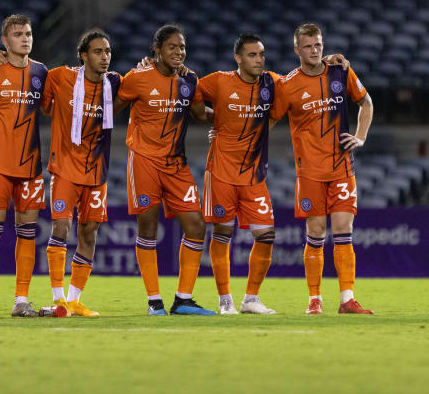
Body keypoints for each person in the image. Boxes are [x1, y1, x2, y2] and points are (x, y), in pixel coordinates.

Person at [270, 23, 374, 315]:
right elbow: (269, 120)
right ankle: (314, 299)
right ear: (297, 50)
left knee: (344, 231)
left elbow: (366, 102)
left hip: (342, 167)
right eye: (308, 46)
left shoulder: (340, 71)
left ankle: (347, 299)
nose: (315, 51)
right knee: (315, 233)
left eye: (318, 45)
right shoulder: (288, 85)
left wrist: (361, 136)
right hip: (310, 172)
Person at [114, 23, 216, 316]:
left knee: (196, 226)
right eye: (172, 47)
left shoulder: (189, 80)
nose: (179, 52)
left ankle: (183, 300)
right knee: (148, 226)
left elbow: (199, 114)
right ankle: (154, 300)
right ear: (156, 50)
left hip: (176, 164)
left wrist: (232, 115)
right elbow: (113, 107)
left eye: (182, 47)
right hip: (144, 160)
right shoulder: (138, 77)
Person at [0, 14, 48, 318]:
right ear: (4, 40)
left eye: (28, 33)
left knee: (27, 233)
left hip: (30, 165)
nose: (24, 38)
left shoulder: (41, 72)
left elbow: (54, 104)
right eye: (17, 34)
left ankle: (21, 300)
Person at [197, 33, 281, 315]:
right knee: (222, 233)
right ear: (238, 58)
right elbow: (186, 92)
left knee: (266, 234)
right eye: (252, 55)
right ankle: (225, 301)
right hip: (221, 171)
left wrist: (326, 61)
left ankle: (251, 299)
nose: (259, 60)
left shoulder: (271, 82)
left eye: (261, 54)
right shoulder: (219, 81)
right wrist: (213, 118)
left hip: (254, 175)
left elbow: (302, 77)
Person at [39, 28, 120, 317]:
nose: (105, 57)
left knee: (90, 232)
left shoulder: (114, 83)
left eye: (108, 51)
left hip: (97, 171)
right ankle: (58, 298)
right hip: (64, 168)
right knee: (61, 227)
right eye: (98, 52)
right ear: (84, 55)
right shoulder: (60, 77)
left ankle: (75, 300)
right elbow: (45, 106)